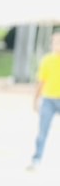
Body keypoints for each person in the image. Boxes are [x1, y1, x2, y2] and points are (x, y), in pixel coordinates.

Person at [28, 31, 60, 170]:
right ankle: (36, 160)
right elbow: (41, 82)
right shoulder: (47, 60)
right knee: (42, 132)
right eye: (55, 42)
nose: (57, 45)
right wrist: (35, 100)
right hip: (48, 100)